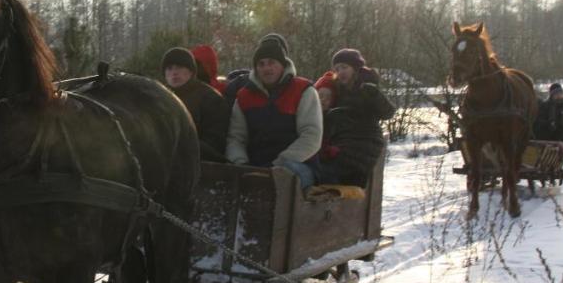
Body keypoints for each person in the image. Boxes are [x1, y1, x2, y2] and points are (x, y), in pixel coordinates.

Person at [225, 35, 323, 189]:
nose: (266, 68)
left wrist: (279, 164)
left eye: (272, 63)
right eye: (261, 64)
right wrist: (240, 163)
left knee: (281, 180)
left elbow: (311, 135)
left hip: (298, 164)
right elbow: (236, 137)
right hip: (254, 166)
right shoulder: (244, 96)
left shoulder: (303, 91)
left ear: (282, 65)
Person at [311, 48, 397, 186]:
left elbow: (388, 113)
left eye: (344, 67)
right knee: (315, 165)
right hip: (342, 144)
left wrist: (375, 95)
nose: (340, 72)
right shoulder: (339, 90)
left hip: (365, 143)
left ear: (355, 68)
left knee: (326, 172)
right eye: (337, 69)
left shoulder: (366, 88)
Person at [161, 47, 230, 161]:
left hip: (201, 164)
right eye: (169, 68)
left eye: (179, 67)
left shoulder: (211, 99)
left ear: (191, 71)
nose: (174, 72)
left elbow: (215, 142)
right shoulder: (160, 98)